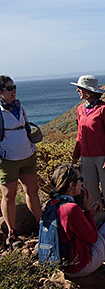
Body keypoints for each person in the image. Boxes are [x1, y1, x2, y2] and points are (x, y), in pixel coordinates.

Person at [49, 164, 105, 287]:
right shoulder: (71, 208)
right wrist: (86, 211)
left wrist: (88, 214)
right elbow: (92, 238)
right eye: (80, 179)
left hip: (64, 265)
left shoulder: (51, 204)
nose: (82, 183)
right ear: (71, 185)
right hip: (80, 266)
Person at [0, 75, 42, 250]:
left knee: (32, 191)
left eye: (14, 87)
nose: (14, 90)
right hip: (8, 160)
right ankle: (12, 232)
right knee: (9, 196)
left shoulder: (20, 107)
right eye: (9, 88)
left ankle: (41, 224)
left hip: (27, 157)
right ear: (0, 92)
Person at [71, 75, 105, 216]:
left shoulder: (103, 108)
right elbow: (79, 135)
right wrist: (75, 157)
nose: (77, 90)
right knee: (90, 192)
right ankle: (97, 222)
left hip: (102, 156)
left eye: (80, 88)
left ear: (89, 91)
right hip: (86, 157)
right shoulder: (80, 109)